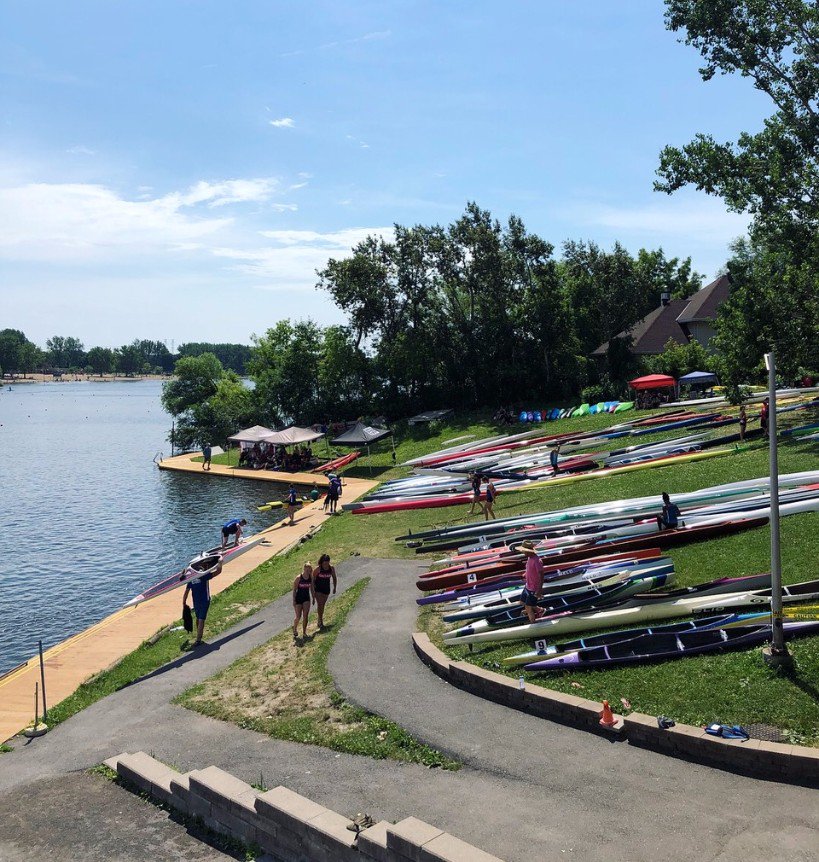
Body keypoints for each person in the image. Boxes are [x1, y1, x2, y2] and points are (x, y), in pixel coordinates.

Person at [182, 559, 222, 649]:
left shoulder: (194, 578)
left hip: (200, 602)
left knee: (199, 619)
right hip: (200, 601)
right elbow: (218, 571)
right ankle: (198, 639)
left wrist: (184, 602)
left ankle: (198, 639)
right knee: (199, 620)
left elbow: (186, 592)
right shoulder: (201, 576)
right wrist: (220, 563)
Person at [519, 541, 544, 624]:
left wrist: (539, 590)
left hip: (534, 588)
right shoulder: (529, 558)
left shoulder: (537, 560)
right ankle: (539, 610)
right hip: (528, 586)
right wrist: (525, 574)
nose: (523, 553)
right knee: (522, 602)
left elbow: (541, 575)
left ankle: (533, 623)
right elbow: (530, 569)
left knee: (528, 607)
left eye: (524, 551)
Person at [292, 562, 315, 643]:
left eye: (309, 570)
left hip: (306, 598)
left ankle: (304, 632)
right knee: (298, 616)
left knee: (306, 616)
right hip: (298, 598)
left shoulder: (310, 577)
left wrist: (313, 597)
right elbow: (294, 589)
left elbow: (312, 588)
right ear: (304, 569)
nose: (308, 571)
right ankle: (294, 628)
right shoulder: (299, 578)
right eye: (307, 569)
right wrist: (294, 600)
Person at [313, 553, 337, 629]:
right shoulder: (318, 569)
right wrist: (313, 590)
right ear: (322, 562)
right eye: (324, 563)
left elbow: (334, 577)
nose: (326, 565)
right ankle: (321, 621)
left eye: (327, 563)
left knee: (322, 605)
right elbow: (313, 579)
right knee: (320, 604)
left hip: (326, 589)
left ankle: (319, 619)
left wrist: (334, 587)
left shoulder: (331, 568)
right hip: (318, 589)